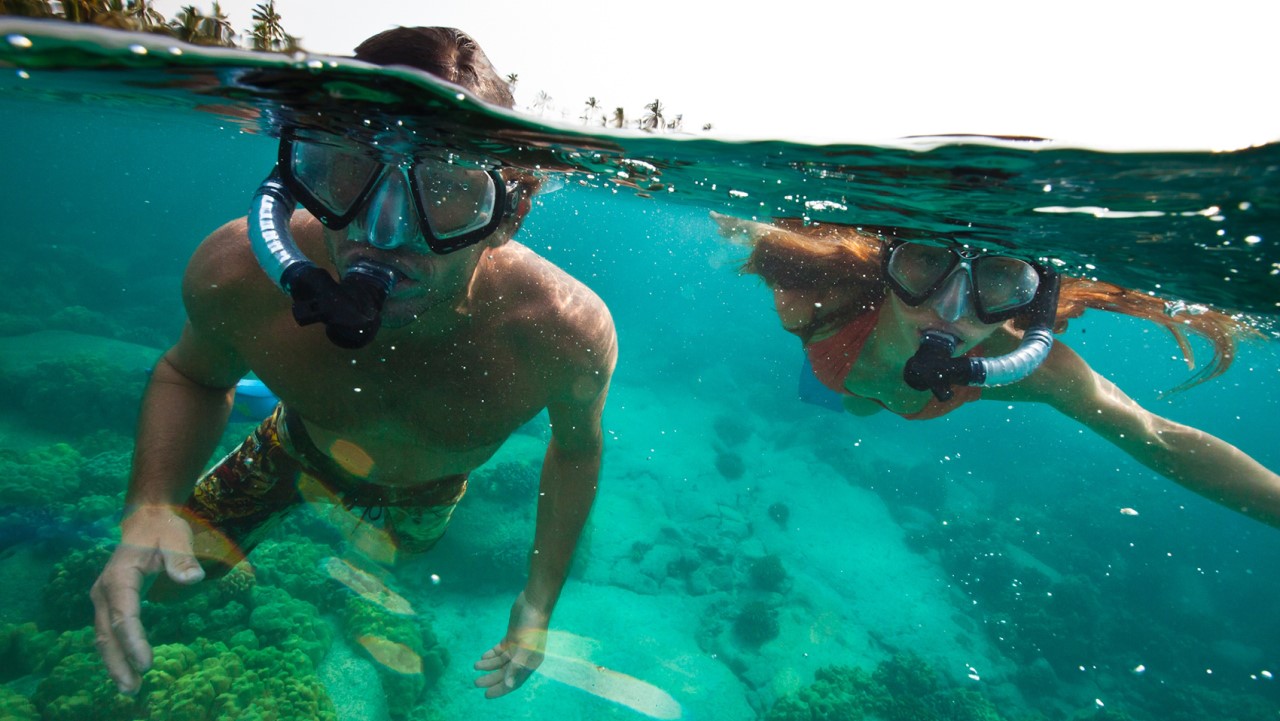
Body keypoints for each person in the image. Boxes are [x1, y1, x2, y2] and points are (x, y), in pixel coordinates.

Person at [90, 27, 617, 699]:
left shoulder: (561, 331)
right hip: (295, 445)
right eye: (347, 171)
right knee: (163, 583)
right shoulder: (238, 274)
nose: (385, 231)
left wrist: (539, 600)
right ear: (297, 177)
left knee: (409, 554)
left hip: (428, 492)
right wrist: (147, 510)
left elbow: (577, 450)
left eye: (449, 188)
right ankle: (270, 395)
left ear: (507, 215)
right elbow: (190, 373)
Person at [713, 213, 1280, 528]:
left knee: (863, 404)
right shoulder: (823, 299)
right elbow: (758, 231)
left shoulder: (1036, 371)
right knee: (854, 402)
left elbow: (1158, 437)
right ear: (891, 265)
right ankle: (849, 400)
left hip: (905, 395)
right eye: (926, 263)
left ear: (1030, 304)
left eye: (1000, 281)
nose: (952, 309)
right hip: (842, 375)